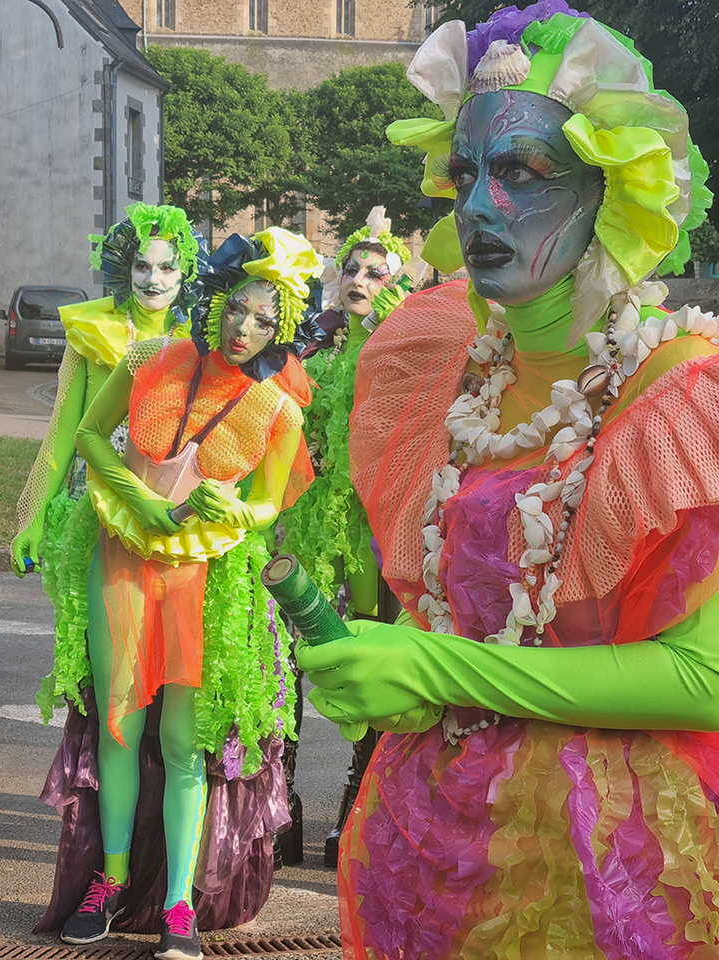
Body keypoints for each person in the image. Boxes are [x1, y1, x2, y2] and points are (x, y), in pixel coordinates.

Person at [297, 3, 719, 957]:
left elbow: (706, 677)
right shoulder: (441, 366)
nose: (479, 206)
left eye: (522, 173)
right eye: (465, 174)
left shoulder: (683, 391)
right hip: (425, 848)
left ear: (611, 192)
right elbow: (464, 601)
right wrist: (392, 671)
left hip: (606, 864)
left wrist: (433, 666)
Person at [35, 228, 322, 959]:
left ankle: (177, 907)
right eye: (237, 308)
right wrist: (139, 494)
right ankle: (111, 880)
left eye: (265, 318)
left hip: (205, 578)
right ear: (217, 302)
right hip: (121, 553)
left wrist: (241, 512)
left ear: (282, 329)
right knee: (120, 724)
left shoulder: (280, 410)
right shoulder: (148, 356)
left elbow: (269, 504)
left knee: (182, 742)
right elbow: (92, 437)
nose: (244, 326)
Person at [11, 203, 203, 717]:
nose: (154, 279)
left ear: (187, 272)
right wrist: (30, 518)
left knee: (171, 671)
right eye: (142, 265)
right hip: (94, 512)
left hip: (172, 516)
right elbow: (62, 437)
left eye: (167, 267)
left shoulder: (203, 342)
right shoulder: (92, 331)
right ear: (124, 268)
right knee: (108, 668)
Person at [281, 207, 415, 866]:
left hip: (371, 529)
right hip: (310, 522)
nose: (359, 277)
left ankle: (354, 813)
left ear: (394, 281)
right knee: (285, 658)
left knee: (368, 660)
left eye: (375, 270)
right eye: (352, 267)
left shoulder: (400, 348)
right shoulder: (315, 343)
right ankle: (280, 808)